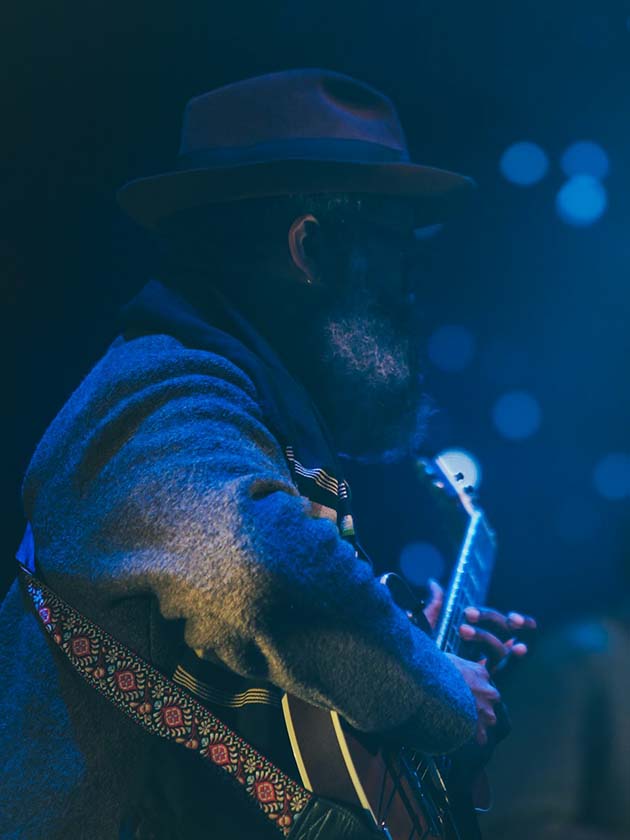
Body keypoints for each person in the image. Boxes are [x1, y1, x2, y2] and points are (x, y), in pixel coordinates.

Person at [0, 68, 534, 839]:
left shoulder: (240, 413)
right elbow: (252, 567)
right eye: (396, 256)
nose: (411, 293)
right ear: (309, 249)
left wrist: (406, 640)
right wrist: (438, 689)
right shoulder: (157, 390)